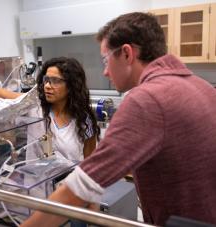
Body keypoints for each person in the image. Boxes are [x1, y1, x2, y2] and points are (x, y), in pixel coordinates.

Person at [20, 12, 216, 227]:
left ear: (126, 54)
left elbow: (84, 185)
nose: (104, 72)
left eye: (106, 59)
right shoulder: (201, 86)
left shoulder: (146, 99)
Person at [0, 57, 100, 161]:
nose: (47, 85)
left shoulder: (84, 120)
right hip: (37, 192)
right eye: (46, 80)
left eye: (56, 81)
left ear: (72, 85)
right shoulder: (34, 106)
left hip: (67, 193)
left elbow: (90, 163)